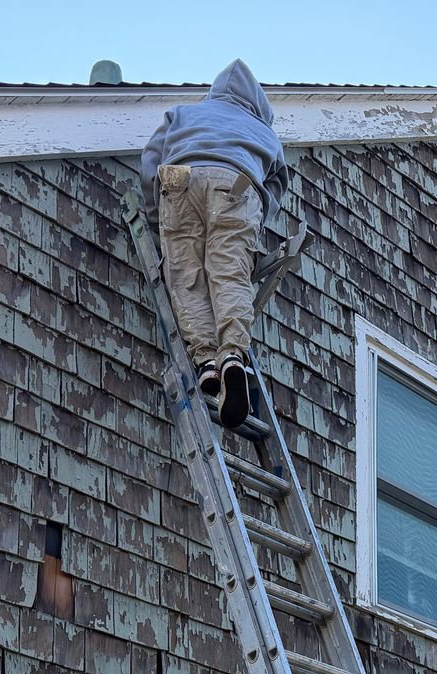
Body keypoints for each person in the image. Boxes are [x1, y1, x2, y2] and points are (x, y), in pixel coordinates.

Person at [140, 60, 289, 429]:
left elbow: (151, 160)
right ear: (257, 103)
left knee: (185, 275)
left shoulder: (184, 113)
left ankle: (206, 361)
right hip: (237, 185)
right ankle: (232, 357)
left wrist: (157, 216)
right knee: (229, 273)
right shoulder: (264, 132)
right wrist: (254, 216)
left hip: (181, 180)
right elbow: (276, 185)